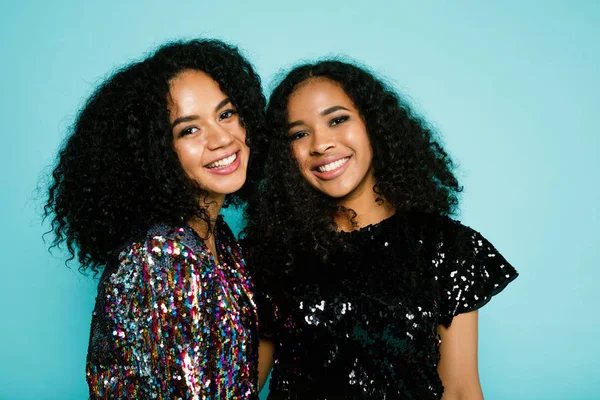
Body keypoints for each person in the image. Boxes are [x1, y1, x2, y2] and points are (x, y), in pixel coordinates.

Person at [244, 60, 518, 399]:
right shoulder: (274, 254)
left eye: (338, 120)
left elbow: (461, 389)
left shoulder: (446, 247)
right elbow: (241, 385)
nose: (321, 144)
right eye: (300, 134)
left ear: (372, 124)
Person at [44, 39, 266, 399]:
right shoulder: (162, 259)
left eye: (225, 114)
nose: (222, 138)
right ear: (155, 153)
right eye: (188, 130)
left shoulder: (218, 237)